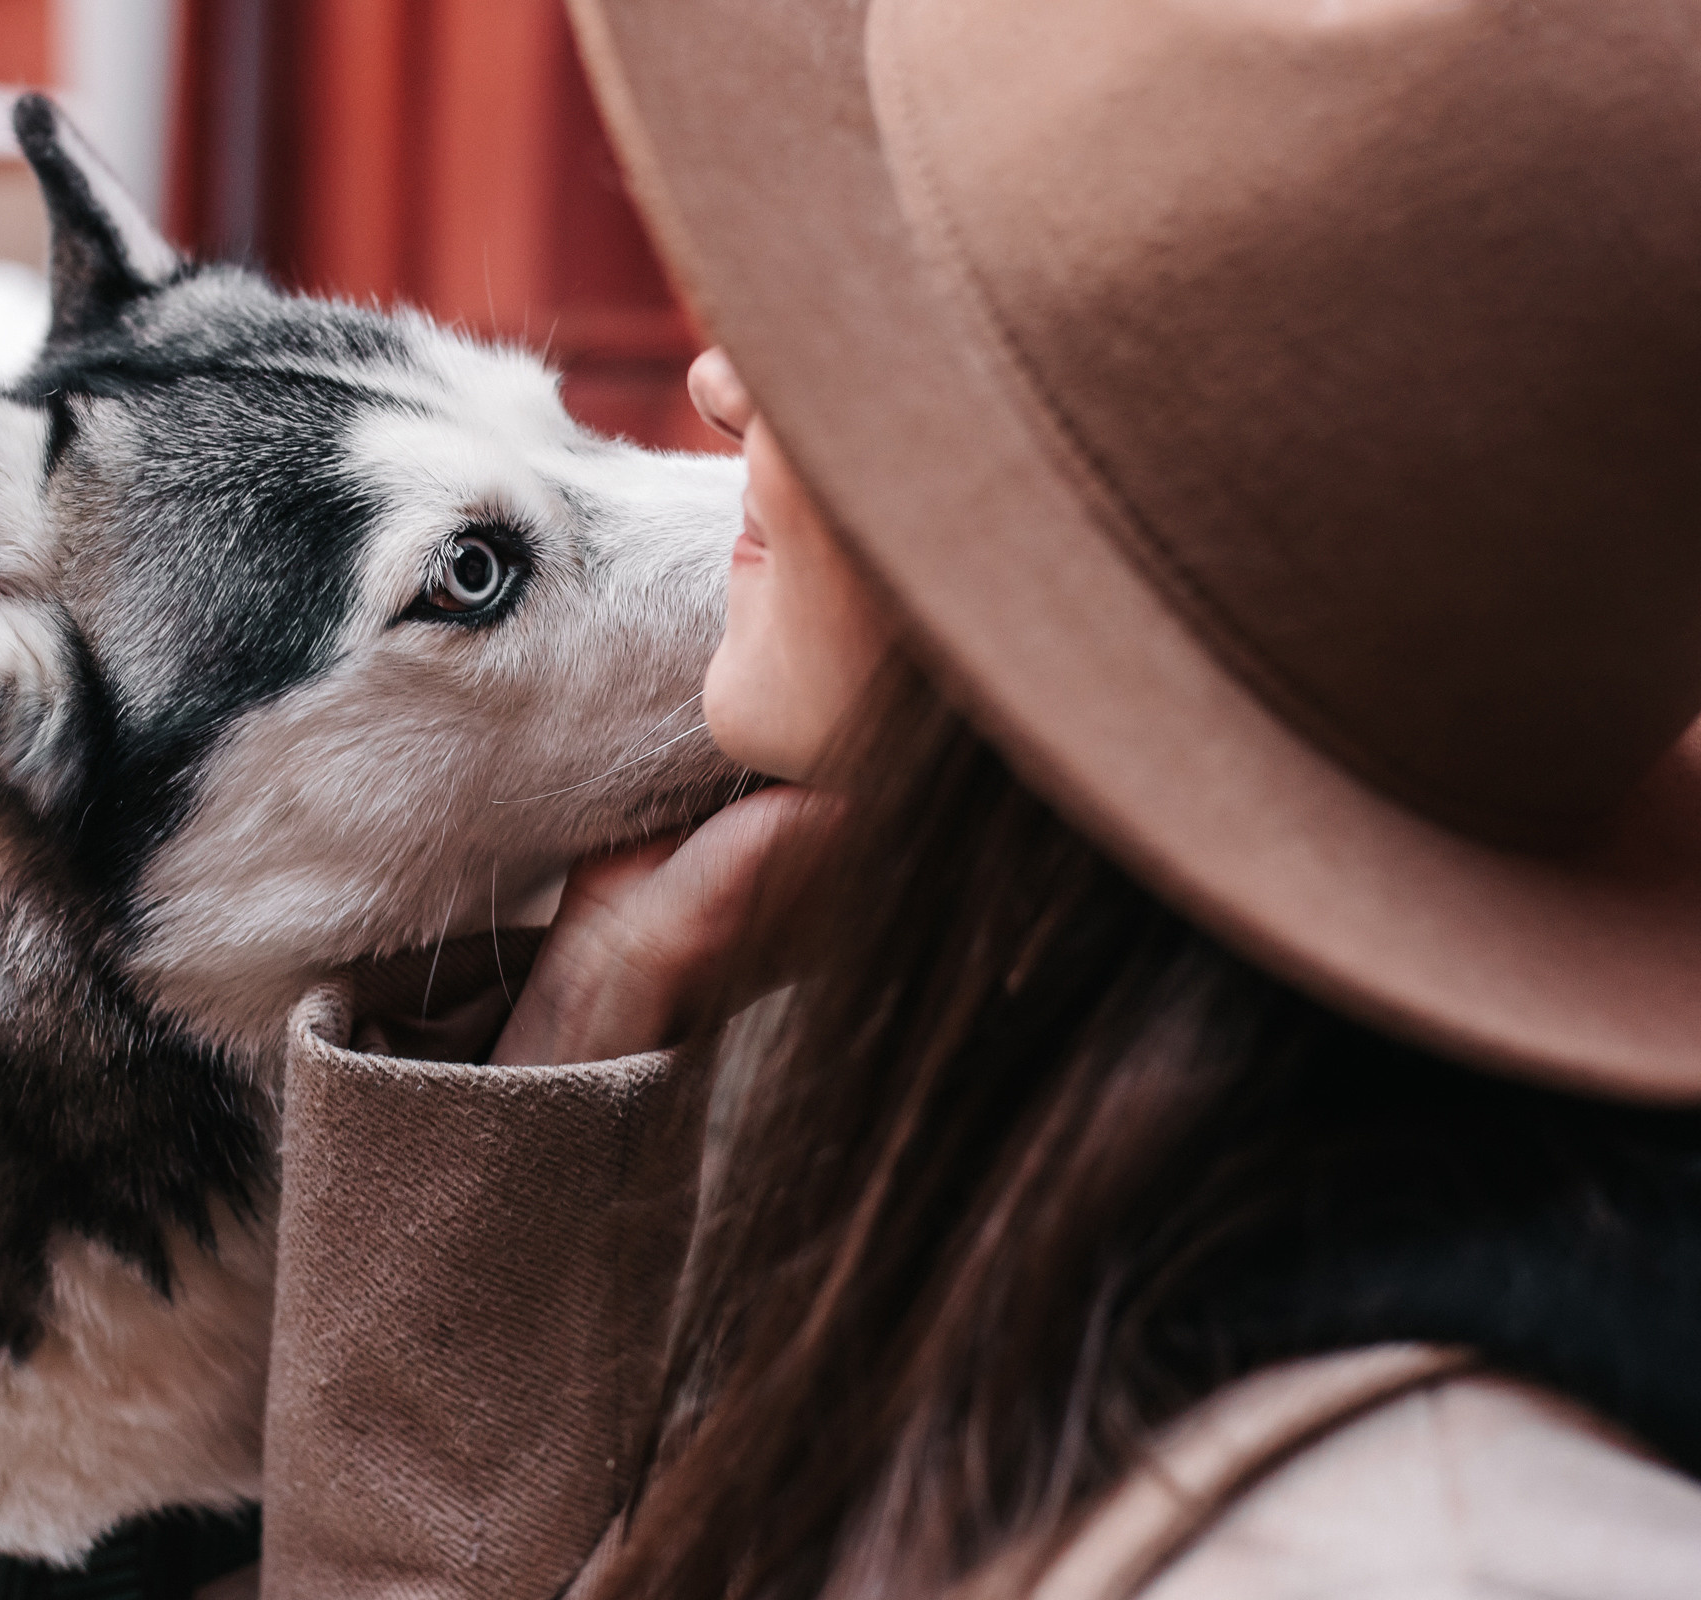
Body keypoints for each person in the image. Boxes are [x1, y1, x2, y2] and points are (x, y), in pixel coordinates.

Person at [258, 1, 1701, 1597]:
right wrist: (583, 1026)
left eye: (885, 344)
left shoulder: (1404, 1551)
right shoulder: (1092, 1170)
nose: (727, 381)